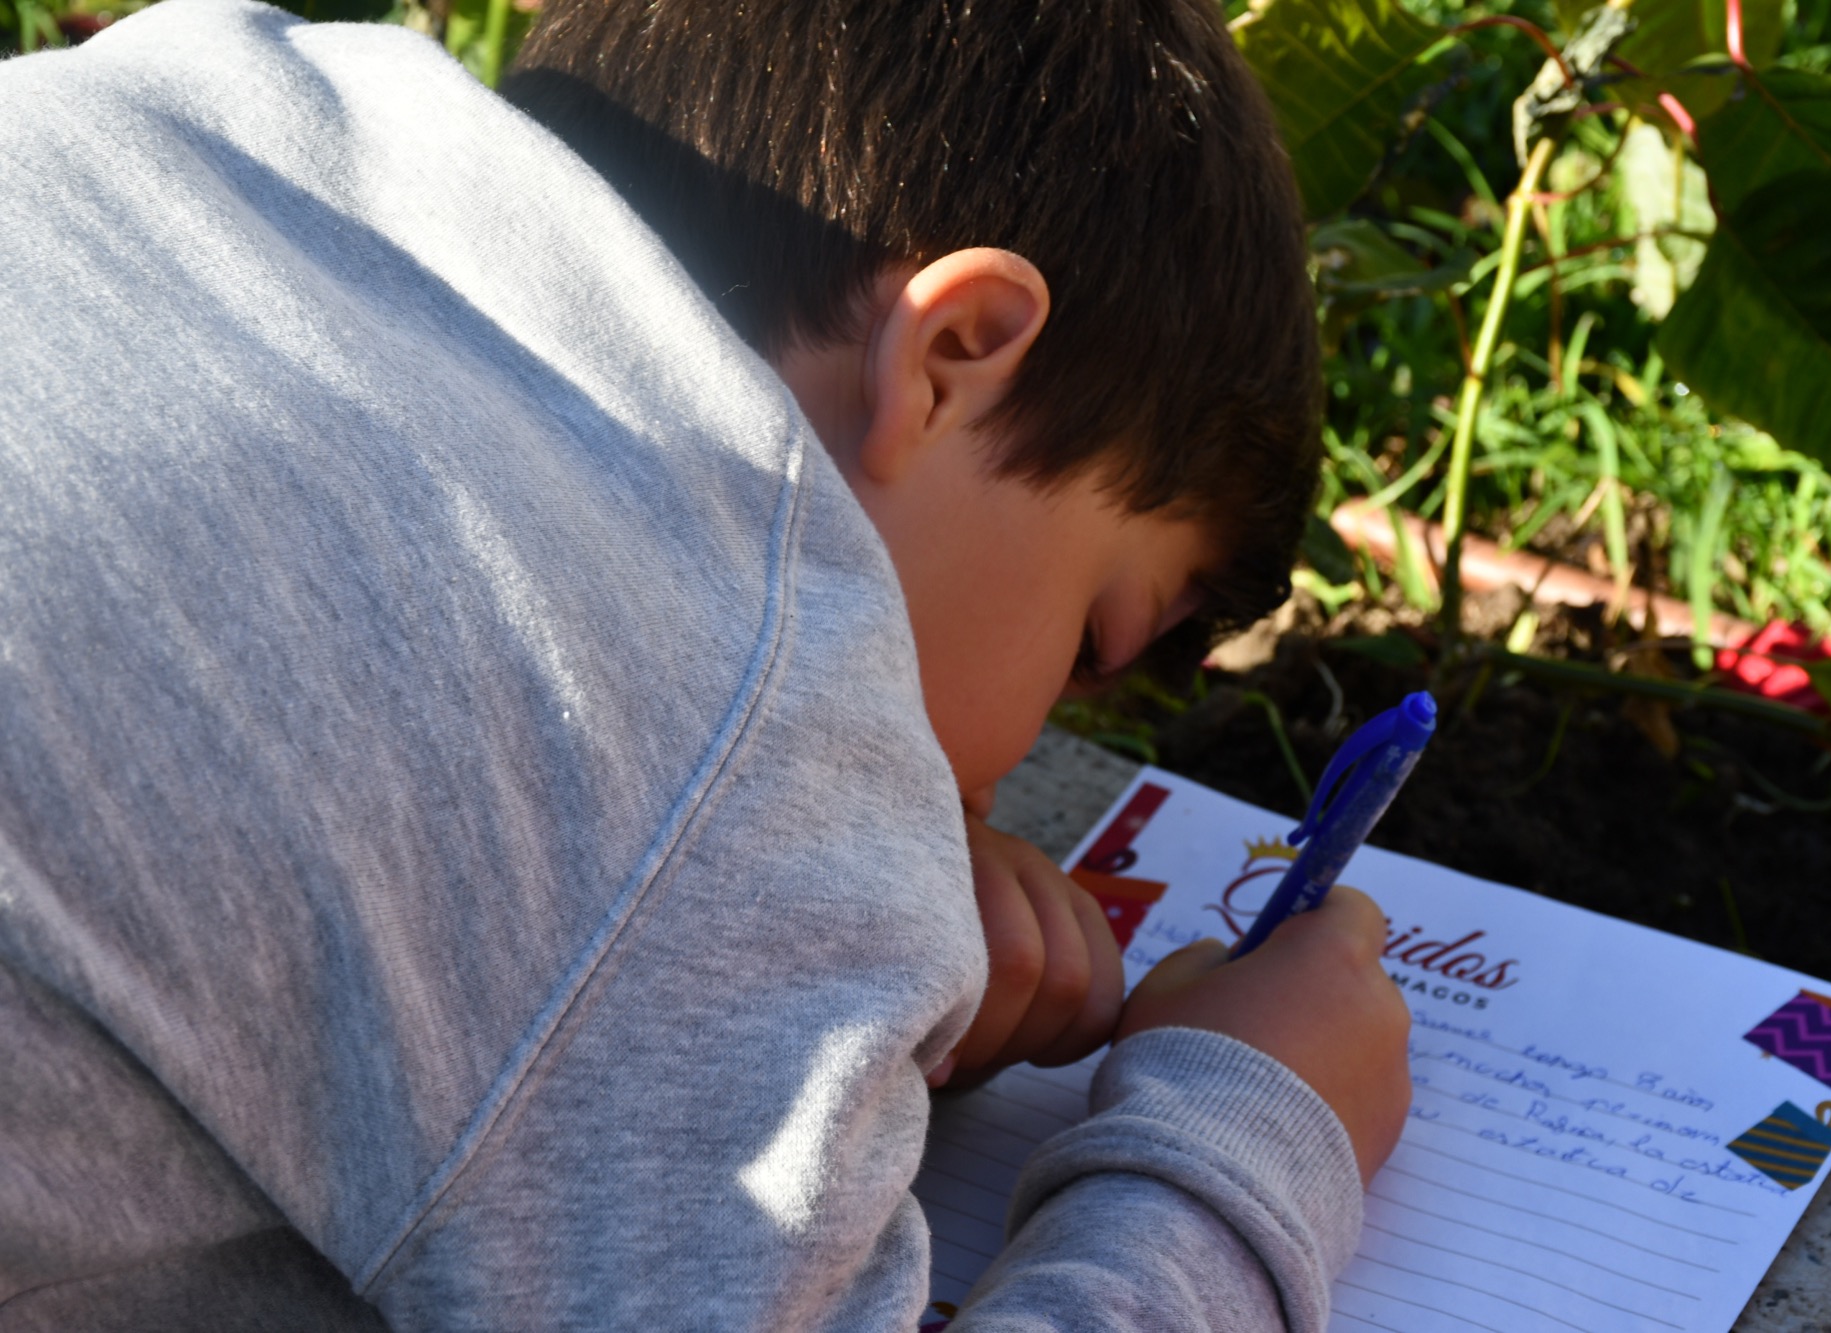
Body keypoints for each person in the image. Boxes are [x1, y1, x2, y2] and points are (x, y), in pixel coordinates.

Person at [0, 0, 1412, 1327]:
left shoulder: (216, 90)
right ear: (952, 355)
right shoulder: (689, 734)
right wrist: (1247, 1141)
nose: (1024, 753)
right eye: (1094, 638)